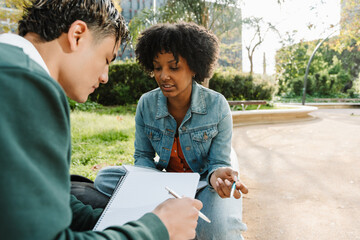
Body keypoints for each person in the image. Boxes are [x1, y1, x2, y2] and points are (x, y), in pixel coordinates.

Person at [0, 1, 203, 239]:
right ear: (77, 35)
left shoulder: (12, 67)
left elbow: (47, 203)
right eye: (107, 59)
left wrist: (122, 222)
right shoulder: (26, 82)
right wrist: (158, 229)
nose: (105, 77)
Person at [94, 22, 249, 239]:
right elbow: (143, 157)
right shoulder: (146, 104)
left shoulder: (217, 105)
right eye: (158, 67)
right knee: (105, 178)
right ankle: (173, 200)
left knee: (215, 230)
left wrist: (217, 177)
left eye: (173, 67)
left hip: (204, 181)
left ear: (194, 67)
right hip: (166, 181)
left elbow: (218, 163)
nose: (163, 76)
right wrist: (151, 184)